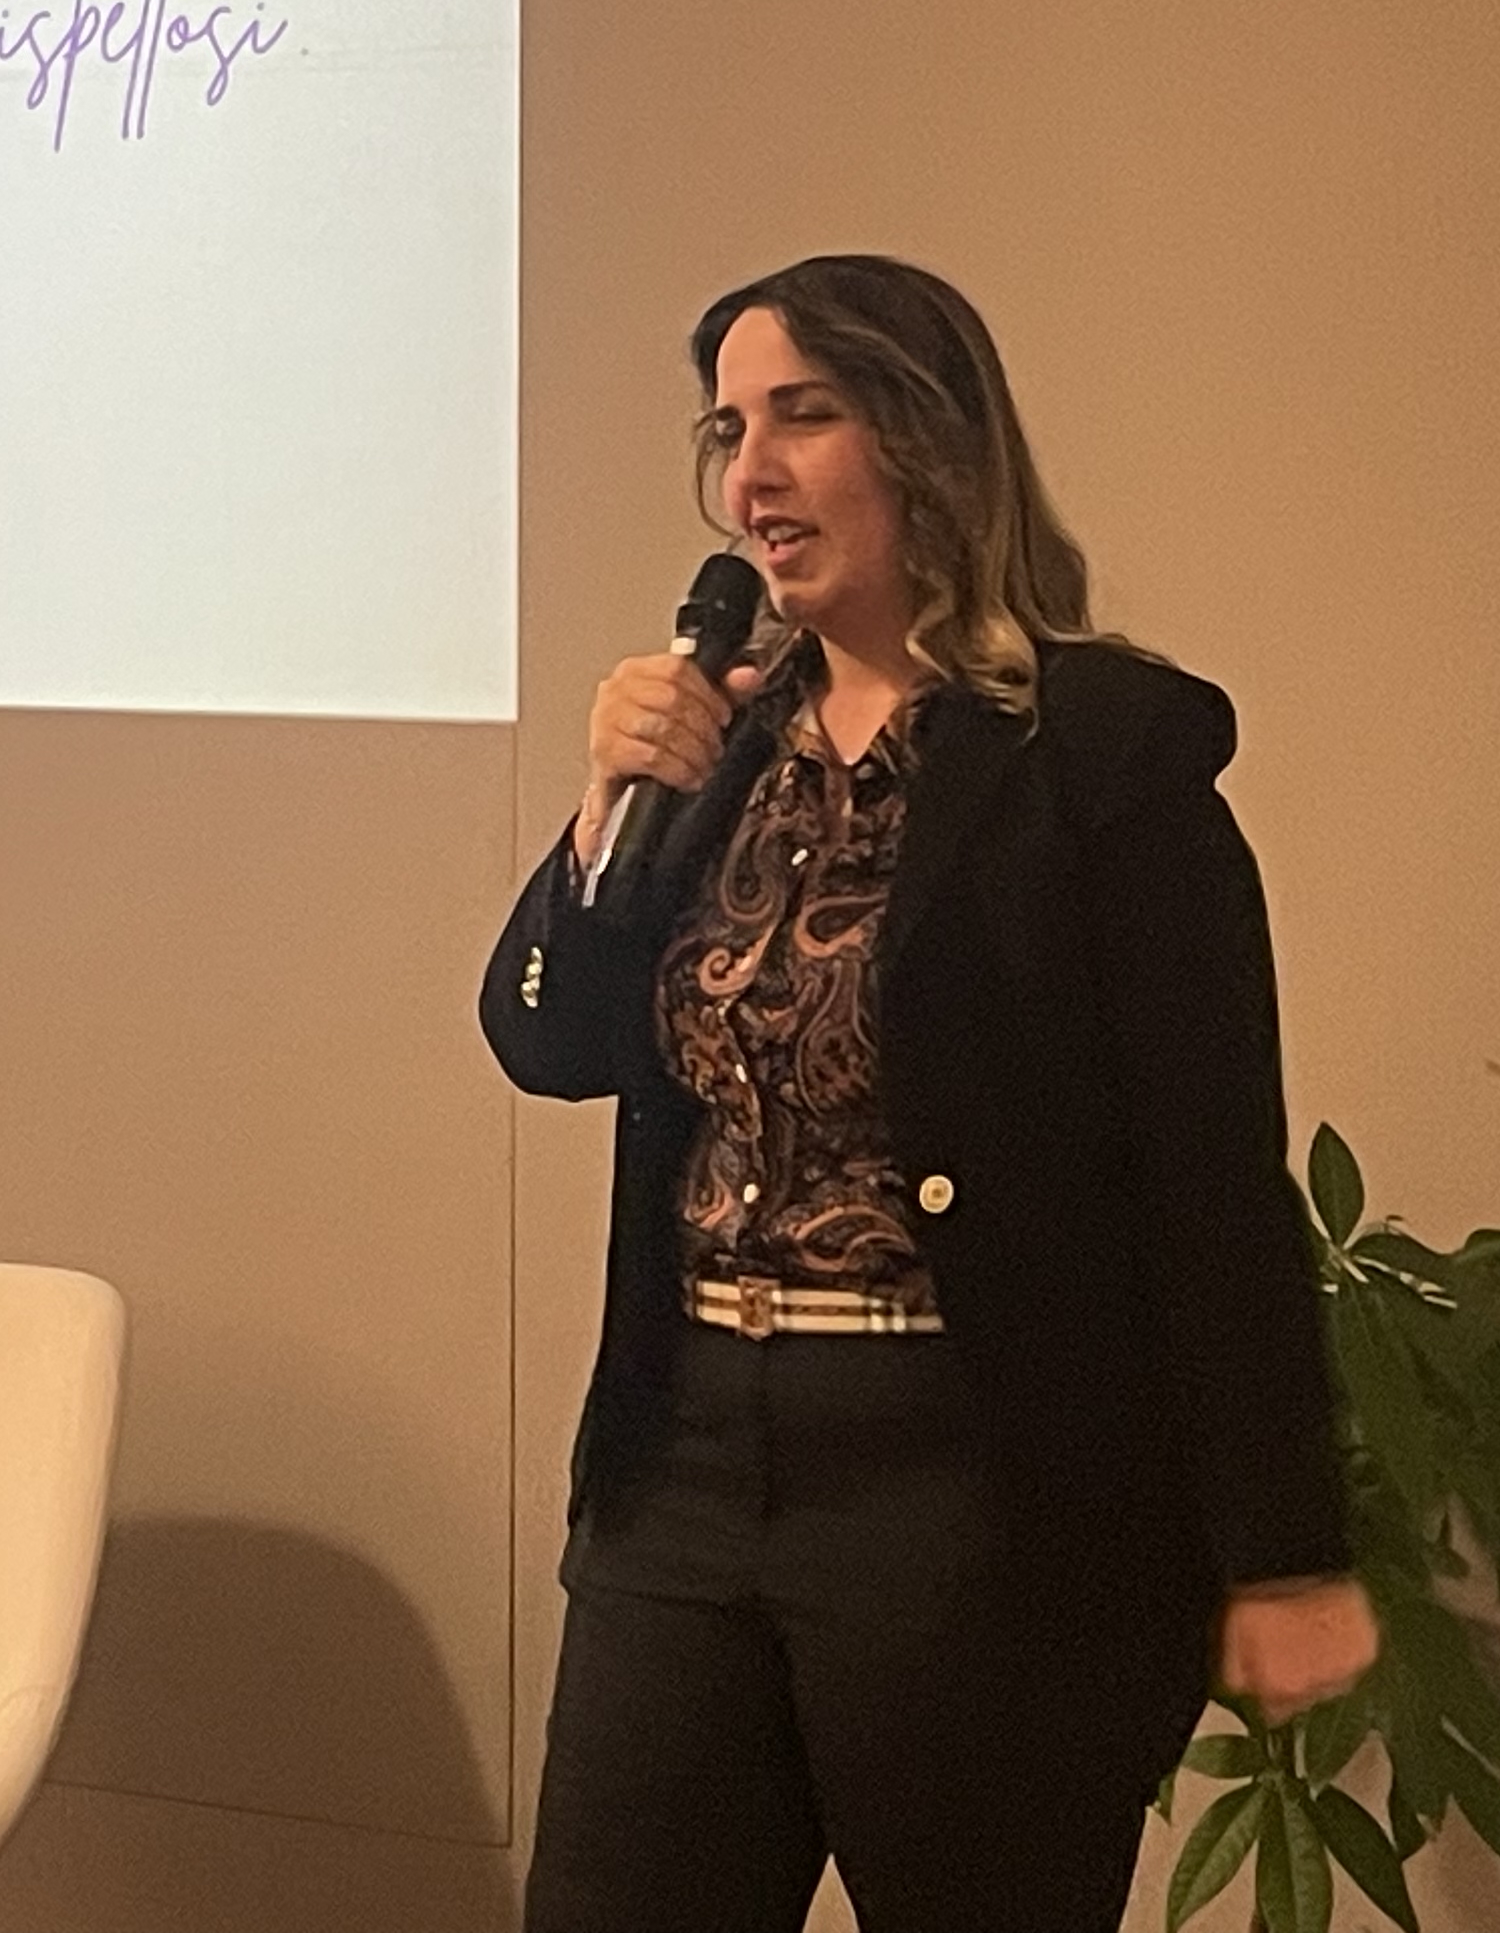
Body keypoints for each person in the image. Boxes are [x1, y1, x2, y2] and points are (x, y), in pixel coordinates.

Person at [478, 254, 1374, 1932]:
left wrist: (1283, 1548)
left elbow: (1209, 1176)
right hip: (684, 1472)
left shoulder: (1094, 751)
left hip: (971, 1493)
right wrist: (606, 808)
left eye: (802, 417)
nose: (751, 476)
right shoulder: (717, 752)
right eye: (729, 430)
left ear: (927, 438)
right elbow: (550, 1042)